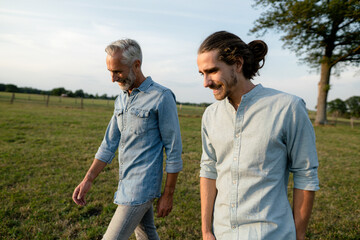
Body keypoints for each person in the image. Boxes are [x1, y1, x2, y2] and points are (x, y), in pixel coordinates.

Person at [197, 31, 319, 240]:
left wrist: (298, 235)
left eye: (213, 71)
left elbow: (305, 174)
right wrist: (206, 231)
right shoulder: (210, 115)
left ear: (237, 63)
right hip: (222, 233)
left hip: (271, 234)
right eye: (202, 74)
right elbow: (209, 170)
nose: (206, 83)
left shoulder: (288, 107)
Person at [72, 38, 183, 240]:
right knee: (146, 234)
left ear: (136, 65)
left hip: (141, 188)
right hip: (125, 183)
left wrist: (168, 194)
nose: (113, 79)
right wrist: (88, 179)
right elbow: (108, 143)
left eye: (118, 72)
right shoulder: (121, 99)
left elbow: (174, 150)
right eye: (110, 72)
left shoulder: (162, 97)